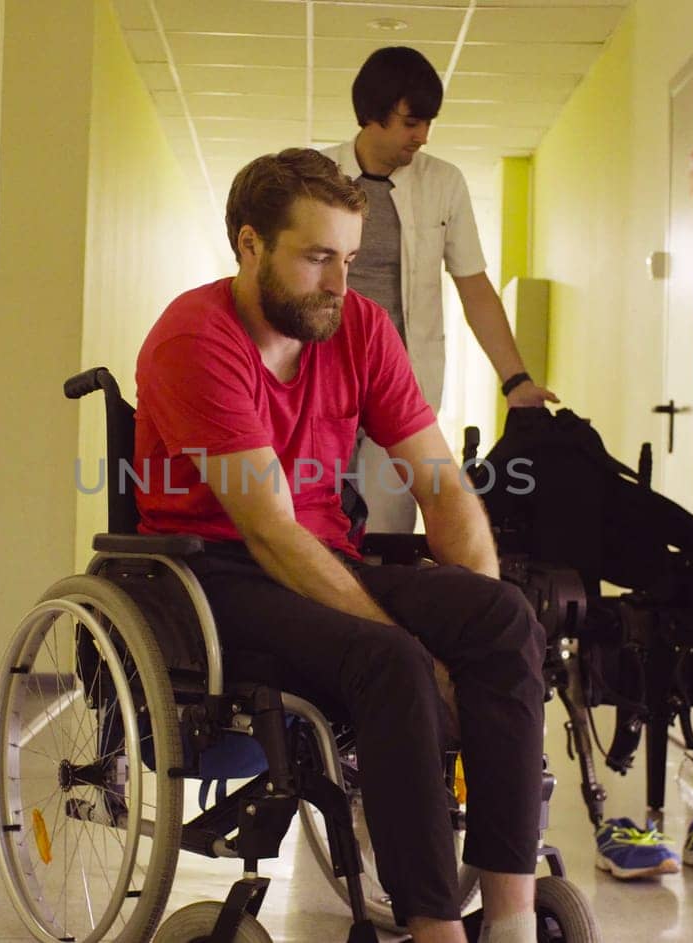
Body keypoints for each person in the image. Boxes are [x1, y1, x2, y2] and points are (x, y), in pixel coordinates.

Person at [133, 148, 548, 943]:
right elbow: (271, 531)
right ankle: (435, 930)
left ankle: (511, 918)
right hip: (217, 579)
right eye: (318, 257)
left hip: (325, 557)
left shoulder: (358, 326)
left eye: (349, 259)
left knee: (502, 616)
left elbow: (443, 485)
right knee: (389, 661)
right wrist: (421, 654)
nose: (339, 283)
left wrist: (465, 637)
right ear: (250, 245)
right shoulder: (195, 337)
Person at [322, 46, 558, 533]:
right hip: (319, 377)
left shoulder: (444, 183)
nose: (422, 136)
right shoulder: (315, 177)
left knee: (387, 530)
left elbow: (473, 285)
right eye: (411, 122)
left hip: (400, 385)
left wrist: (515, 381)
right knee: (313, 519)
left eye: (429, 122)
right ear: (372, 114)